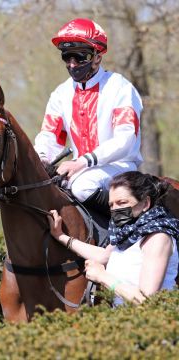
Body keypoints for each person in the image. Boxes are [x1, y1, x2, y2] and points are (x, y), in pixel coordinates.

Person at [34, 18, 143, 214]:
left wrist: (82, 161)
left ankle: (132, 224)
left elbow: (125, 139)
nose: (72, 64)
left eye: (80, 57)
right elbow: (50, 136)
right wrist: (42, 159)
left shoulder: (120, 87)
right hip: (79, 169)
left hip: (120, 167)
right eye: (67, 57)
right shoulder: (60, 94)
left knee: (83, 186)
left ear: (97, 57)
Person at [47, 171, 179, 305]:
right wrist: (61, 236)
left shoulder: (157, 238)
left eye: (122, 202)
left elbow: (145, 301)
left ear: (145, 203)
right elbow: (104, 256)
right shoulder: (128, 232)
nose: (115, 210)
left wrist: (102, 277)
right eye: (111, 205)